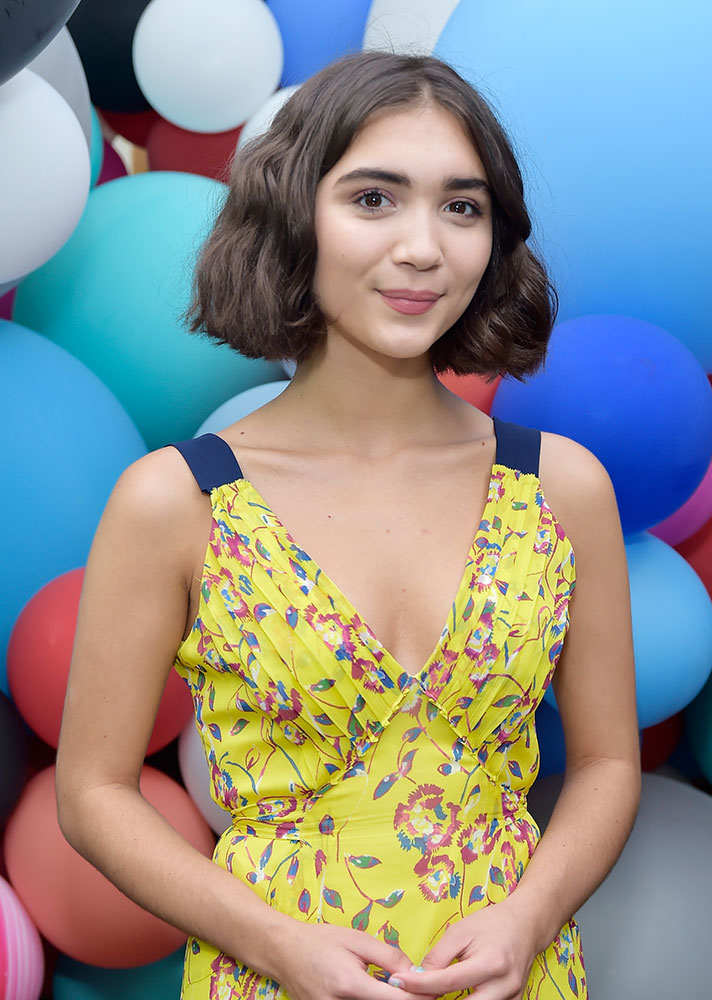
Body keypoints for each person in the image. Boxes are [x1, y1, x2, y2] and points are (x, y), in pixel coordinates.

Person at [56, 50, 640, 1000]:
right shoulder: (177, 501)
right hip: (271, 977)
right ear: (296, 215)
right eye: (374, 199)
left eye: (462, 207)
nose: (423, 247)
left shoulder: (560, 488)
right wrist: (275, 943)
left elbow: (610, 763)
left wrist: (530, 918)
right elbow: (91, 794)